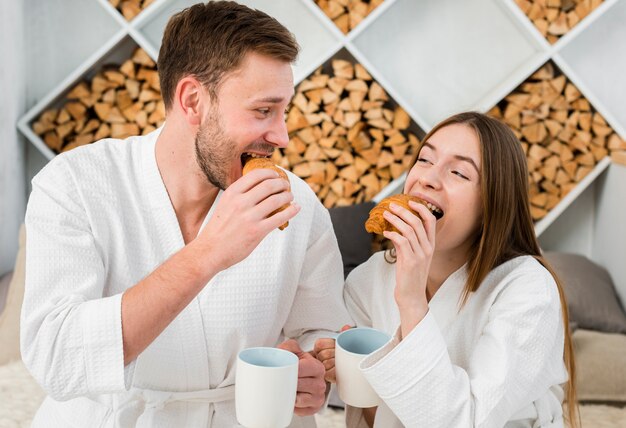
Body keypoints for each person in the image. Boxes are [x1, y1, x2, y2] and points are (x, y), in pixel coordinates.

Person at [21, 2, 352, 427]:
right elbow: (56, 356)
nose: (282, 135)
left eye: (283, 110)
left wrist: (311, 372)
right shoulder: (75, 185)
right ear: (193, 100)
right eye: (263, 110)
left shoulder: (296, 203)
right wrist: (209, 252)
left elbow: (320, 329)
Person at [315, 112, 579, 428]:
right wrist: (352, 373)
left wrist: (411, 299)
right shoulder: (369, 280)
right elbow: (377, 418)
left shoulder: (528, 289)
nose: (427, 177)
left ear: (491, 205)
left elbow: (464, 422)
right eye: (425, 159)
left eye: (458, 172)